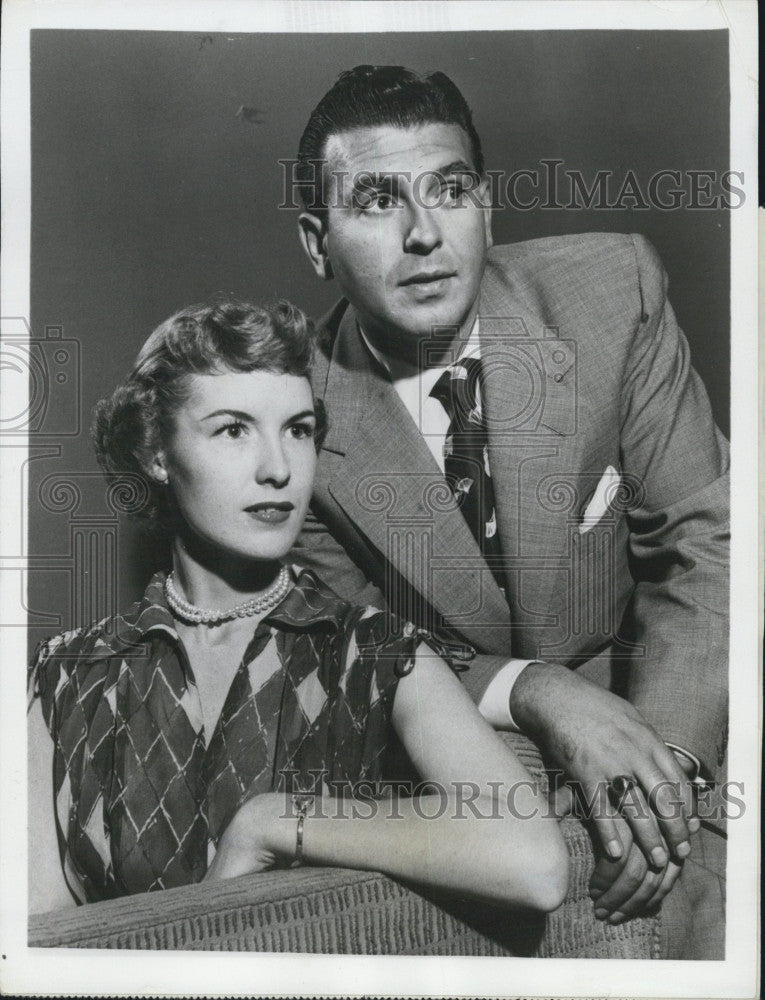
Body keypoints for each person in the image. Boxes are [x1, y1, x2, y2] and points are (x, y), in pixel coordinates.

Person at [290, 66, 728, 954]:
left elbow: (708, 537)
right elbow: (355, 653)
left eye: (449, 190)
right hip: (468, 749)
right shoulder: (292, 414)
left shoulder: (613, 291)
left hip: (664, 701)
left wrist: (670, 769)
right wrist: (537, 691)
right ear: (316, 241)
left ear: (486, 205)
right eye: (376, 201)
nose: (424, 235)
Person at [27, 298, 568, 915]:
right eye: (233, 429)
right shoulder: (71, 671)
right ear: (156, 453)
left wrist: (276, 821)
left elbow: (535, 863)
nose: (279, 469)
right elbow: (36, 940)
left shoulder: (376, 652)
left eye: (298, 429)